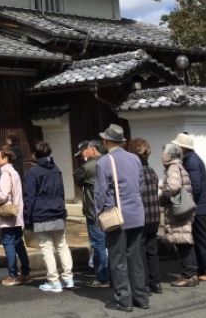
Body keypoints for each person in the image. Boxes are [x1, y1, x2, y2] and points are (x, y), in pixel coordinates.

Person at [94, 124, 149, 312]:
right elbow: (140, 186)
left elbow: (101, 193)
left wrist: (98, 214)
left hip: (117, 216)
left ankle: (123, 300)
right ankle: (141, 298)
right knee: (136, 258)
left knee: (117, 259)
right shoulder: (135, 159)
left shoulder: (104, 162)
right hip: (137, 213)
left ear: (107, 141)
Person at [171, 132, 206, 281]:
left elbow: (195, 186)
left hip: (199, 207)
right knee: (200, 238)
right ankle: (205, 269)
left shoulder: (191, 160)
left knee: (203, 239)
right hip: (200, 206)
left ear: (182, 147)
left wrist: (185, 203)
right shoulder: (191, 159)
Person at [24, 140, 74, 293]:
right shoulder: (57, 169)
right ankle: (68, 278)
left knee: (46, 247)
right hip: (58, 212)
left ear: (34, 155)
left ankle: (53, 281)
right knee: (62, 245)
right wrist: (63, 211)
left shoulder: (33, 172)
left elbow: (29, 197)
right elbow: (62, 192)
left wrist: (27, 218)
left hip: (41, 214)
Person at [0, 145, 31, 285]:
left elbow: (3, 195)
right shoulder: (13, 172)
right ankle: (25, 272)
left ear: (5, 158)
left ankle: (12, 275)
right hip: (16, 211)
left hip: (7, 213)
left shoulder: (5, 174)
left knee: (8, 242)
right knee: (18, 242)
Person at [159, 143, 198, 288]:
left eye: (164, 153)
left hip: (178, 211)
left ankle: (188, 276)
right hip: (184, 209)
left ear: (169, 155)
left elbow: (173, 187)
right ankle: (191, 275)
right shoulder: (180, 165)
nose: (162, 156)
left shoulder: (173, 167)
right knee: (186, 242)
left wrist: (163, 194)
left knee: (183, 243)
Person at [73, 139, 110, 288]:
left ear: (92, 150)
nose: (82, 155)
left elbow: (78, 179)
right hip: (110, 209)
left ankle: (102, 277)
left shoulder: (88, 166)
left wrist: (85, 162)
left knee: (98, 243)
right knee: (110, 243)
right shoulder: (110, 162)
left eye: (83, 151)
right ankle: (109, 274)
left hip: (94, 211)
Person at [129, 137, 161, 294]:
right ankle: (156, 283)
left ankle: (145, 284)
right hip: (155, 214)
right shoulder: (151, 169)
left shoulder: (136, 170)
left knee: (140, 250)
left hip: (141, 215)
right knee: (152, 249)